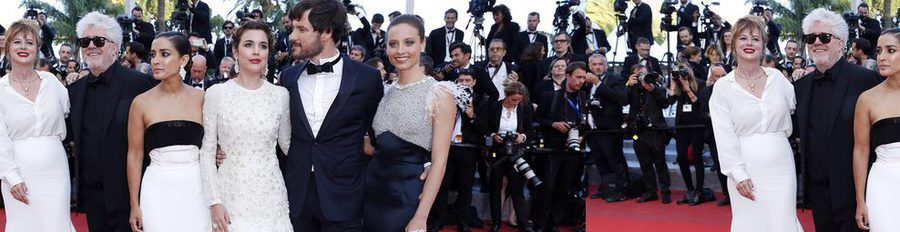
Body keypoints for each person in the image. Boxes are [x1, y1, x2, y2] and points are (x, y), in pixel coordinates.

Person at [277, 1, 384, 230]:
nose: (292, 36)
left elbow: (379, 137)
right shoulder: (287, 78)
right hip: (295, 196)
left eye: (302, 29)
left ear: (326, 32)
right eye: (293, 28)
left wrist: (420, 161)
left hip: (344, 198)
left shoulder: (367, 79)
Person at [709, 15, 803, 231]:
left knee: (783, 221)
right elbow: (723, 135)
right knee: (750, 223)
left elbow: (796, 106)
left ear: (764, 44)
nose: (749, 43)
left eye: (755, 38)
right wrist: (737, 173)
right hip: (745, 167)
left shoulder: (778, 79)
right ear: (733, 44)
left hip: (781, 165)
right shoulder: (723, 87)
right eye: (743, 38)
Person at [198, 20, 292, 232]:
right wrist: (214, 201)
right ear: (235, 50)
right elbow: (208, 151)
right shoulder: (216, 94)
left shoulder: (280, 95)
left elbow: (288, 145)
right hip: (230, 195)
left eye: (263, 45)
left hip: (271, 196)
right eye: (248, 44)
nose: (256, 51)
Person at [366, 14, 458, 232]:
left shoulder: (439, 94)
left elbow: (440, 162)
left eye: (409, 42)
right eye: (393, 44)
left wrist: (421, 216)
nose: (400, 51)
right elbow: (374, 146)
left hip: (407, 196)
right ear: (386, 48)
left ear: (423, 44)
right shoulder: (385, 92)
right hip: (371, 191)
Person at [794, 9, 881, 232]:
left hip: (856, 193)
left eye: (824, 37)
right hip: (819, 194)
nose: (816, 43)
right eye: (810, 38)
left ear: (841, 43)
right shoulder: (801, 87)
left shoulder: (866, 80)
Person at [68, 11, 156, 231]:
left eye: (99, 40)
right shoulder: (74, 90)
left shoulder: (141, 83)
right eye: (85, 41)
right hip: (92, 198)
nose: (91, 46)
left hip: (129, 196)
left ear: (115, 47)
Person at [125, 31, 210, 232]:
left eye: (164, 54)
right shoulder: (141, 103)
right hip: (156, 190)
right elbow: (135, 154)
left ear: (184, 59)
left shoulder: (203, 98)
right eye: (153, 55)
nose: (156, 61)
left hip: (197, 188)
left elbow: (214, 145)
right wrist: (134, 204)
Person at [0, 19, 75, 231]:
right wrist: (11, 177)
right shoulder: (0, 89)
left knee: (57, 224)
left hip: (56, 170)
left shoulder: (52, 83)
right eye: (17, 42)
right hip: (18, 172)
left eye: (29, 42)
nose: (23, 47)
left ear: (38, 48)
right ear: (7, 48)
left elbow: (68, 111)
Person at [533, 62, 590, 231]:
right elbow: (539, 120)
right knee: (547, 186)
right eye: (578, 77)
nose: (581, 81)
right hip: (552, 148)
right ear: (568, 77)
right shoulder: (550, 96)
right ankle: (539, 223)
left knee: (564, 187)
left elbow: (588, 122)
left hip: (574, 149)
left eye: (583, 78)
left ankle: (553, 222)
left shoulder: (584, 98)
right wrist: (553, 124)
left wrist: (580, 136)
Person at [853, 27, 900, 232]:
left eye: (890, 50)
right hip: (883, 186)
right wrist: (860, 200)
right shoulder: (867, 99)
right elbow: (861, 151)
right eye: (879, 51)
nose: (882, 57)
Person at [428, 69, 486, 232]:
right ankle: (437, 220)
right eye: (461, 80)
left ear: (474, 82)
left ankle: (463, 222)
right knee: (442, 186)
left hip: (468, 150)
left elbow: (484, 128)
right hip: (448, 148)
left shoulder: (481, 100)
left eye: (468, 80)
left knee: (465, 188)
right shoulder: (447, 99)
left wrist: (472, 115)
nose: (464, 83)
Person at [483, 81, 535, 232]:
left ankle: (524, 225)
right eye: (513, 99)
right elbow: (485, 126)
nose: (516, 102)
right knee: (496, 187)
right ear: (506, 95)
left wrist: (522, 137)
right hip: (497, 152)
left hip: (517, 152)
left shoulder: (525, 108)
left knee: (517, 189)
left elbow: (531, 129)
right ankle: (496, 223)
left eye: (519, 99)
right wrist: (493, 135)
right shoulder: (494, 106)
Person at [584, 54, 630, 202]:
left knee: (615, 160)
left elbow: (621, 99)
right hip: (592, 128)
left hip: (610, 128)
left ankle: (623, 190)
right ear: (589, 66)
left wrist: (599, 84)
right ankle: (607, 187)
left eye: (600, 64)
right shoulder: (585, 82)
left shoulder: (615, 79)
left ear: (606, 65)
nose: (598, 67)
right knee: (600, 160)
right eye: (594, 64)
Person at [625, 63, 671, 204]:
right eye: (638, 74)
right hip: (638, 132)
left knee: (660, 163)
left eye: (644, 73)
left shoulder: (656, 88)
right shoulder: (631, 89)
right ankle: (651, 191)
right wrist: (628, 85)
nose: (642, 77)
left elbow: (665, 103)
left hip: (655, 131)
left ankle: (665, 192)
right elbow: (622, 100)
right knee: (644, 164)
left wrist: (652, 89)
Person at [667, 61, 708, 205]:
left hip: (696, 124)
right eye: (678, 70)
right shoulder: (676, 85)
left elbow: (699, 104)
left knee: (697, 158)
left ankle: (699, 189)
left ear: (690, 70)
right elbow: (669, 101)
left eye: (683, 69)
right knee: (682, 158)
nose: (681, 73)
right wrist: (673, 85)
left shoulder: (700, 83)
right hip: (682, 125)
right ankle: (689, 188)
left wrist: (687, 88)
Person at [699, 65, 730, 206]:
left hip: (734, 134)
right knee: (720, 166)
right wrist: (713, 116)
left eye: (723, 76)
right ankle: (727, 194)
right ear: (711, 77)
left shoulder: (735, 92)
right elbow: (701, 114)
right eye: (717, 76)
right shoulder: (705, 92)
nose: (721, 79)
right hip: (714, 135)